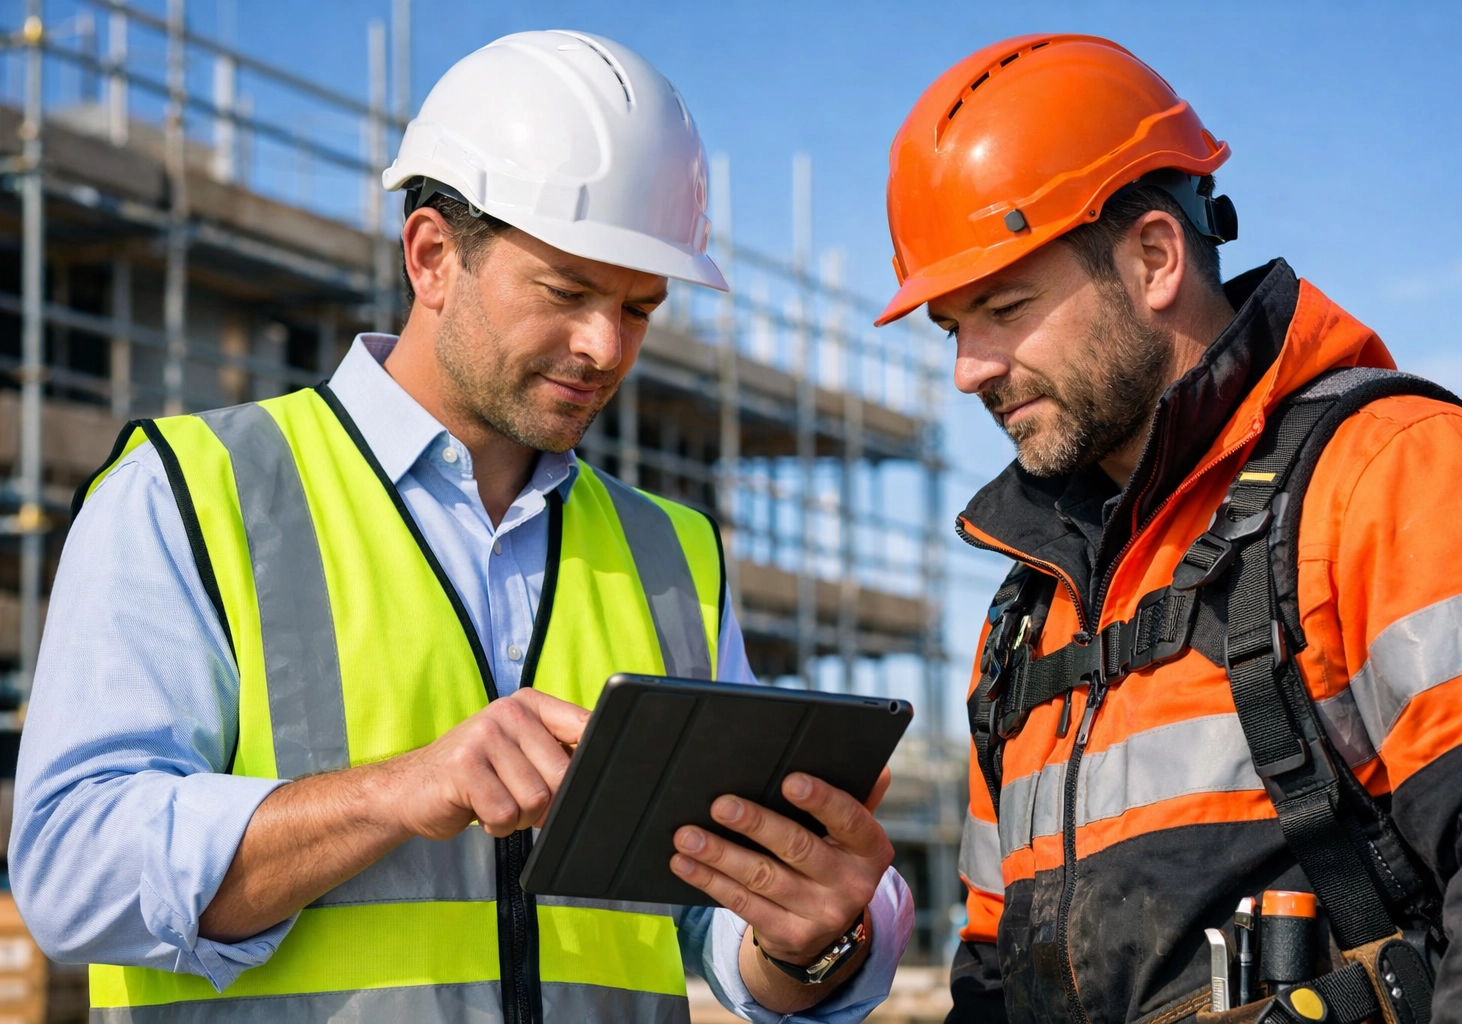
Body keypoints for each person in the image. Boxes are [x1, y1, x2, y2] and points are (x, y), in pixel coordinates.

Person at [9, 31, 913, 1024]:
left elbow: (717, 926)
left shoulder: (675, 554)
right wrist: (397, 791)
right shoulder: (191, 492)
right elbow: (70, 866)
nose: (604, 347)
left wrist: (814, 936)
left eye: (639, 307)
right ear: (433, 256)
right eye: (566, 291)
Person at [875, 33, 1462, 1024]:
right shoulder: (1024, 624)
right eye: (952, 329)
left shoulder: (1400, 479)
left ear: (1153, 257)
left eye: (1003, 307)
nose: (969, 368)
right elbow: (989, 970)